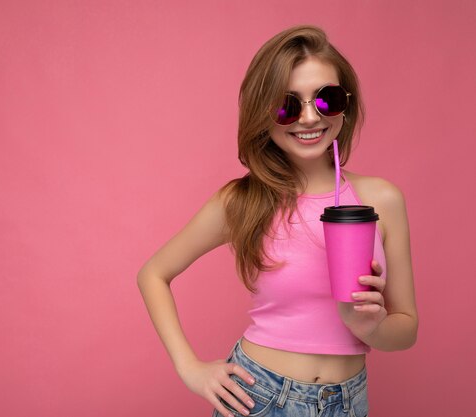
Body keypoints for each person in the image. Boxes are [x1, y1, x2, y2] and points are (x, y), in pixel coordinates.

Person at [137, 25, 418, 417]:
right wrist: (190, 369)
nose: (308, 118)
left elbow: (406, 330)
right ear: (263, 115)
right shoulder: (243, 200)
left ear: (346, 105)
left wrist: (370, 328)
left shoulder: (382, 199)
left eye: (327, 99)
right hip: (262, 398)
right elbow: (153, 273)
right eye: (287, 105)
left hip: (349, 403)